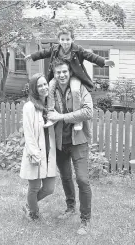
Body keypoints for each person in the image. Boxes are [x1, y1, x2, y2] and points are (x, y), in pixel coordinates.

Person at [25, 25, 115, 130]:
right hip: (58, 75)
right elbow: (44, 53)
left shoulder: (78, 50)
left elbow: (91, 56)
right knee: (50, 87)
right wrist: (32, 56)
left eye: (68, 39)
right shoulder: (55, 49)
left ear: (72, 39)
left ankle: (77, 120)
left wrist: (104, 62)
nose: (65, 42)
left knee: (75, 90)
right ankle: (50, 116)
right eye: (62, 39)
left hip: (74, 75)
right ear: (58, 40)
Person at [47, 58, 93, 235]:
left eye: (64, 71)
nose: (61, 75)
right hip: (59, 141)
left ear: (70, 72)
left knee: (82, 179)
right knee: (66, 177)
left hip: (78, 140)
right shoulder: (50, 90)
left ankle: (85, 219)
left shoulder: (80, 88)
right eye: (58, 72)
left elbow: (89, 111)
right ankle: (70, 207)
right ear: (54, 73)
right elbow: (44, 109)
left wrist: (62, 117)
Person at [20, 73, 56, 221]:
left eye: (45, 84)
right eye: (39, 85)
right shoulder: (29, 107)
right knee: (34, 187)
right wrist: (34, 153)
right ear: (34, 88)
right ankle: (34, 214)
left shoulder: (51, 105)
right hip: (35, 152)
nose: (43, 88)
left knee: (49, 188)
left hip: (49, 152)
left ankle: (28, 205)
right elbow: (28, 132)